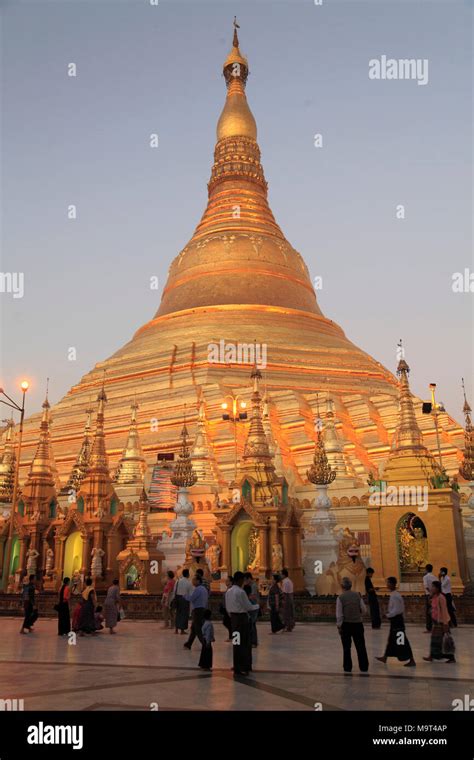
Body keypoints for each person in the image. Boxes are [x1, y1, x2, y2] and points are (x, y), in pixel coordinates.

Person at [225, 571, 259, 677]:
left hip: (234, 620)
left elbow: (227, 608)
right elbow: (248, 607)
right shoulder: (241, 592)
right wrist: (258, 606)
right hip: (242, 620)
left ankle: (237, 666)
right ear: (240, 580)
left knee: (236, 643)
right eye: (243, 580)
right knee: (244, 643)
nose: (244, 582)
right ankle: (244, 666)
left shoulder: (228, 591)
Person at [376, 577, 416, 667]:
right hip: (395, 621)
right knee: (391, 640)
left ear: (393, 584)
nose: (387, 585)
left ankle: (412, 659)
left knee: (401, 641)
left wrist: (387, 615)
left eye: (388, 583)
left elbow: (397, 610)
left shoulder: (396, 596)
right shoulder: (394, 594)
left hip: (397, 621)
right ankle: (385, 657)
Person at [336, 577, 369, 674]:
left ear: (342, 586)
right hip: (358, 624)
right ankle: (364, 666)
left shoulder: (340, 598)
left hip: (346, 625)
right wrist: (358, 615)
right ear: (351, 585)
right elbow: (364, 610)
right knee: (361, 646)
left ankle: (347, 667)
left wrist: (339, 626)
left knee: (346, 647)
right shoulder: (357, 595)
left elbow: (339, 615)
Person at [423, 580, 456, 663]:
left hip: (442, 622)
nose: (432, 588)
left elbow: (444, 611)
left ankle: (451, 657)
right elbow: (432, 607)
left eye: (433, 587)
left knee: (442, 641)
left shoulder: (441, 597)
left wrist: (445, 624)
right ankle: (432, 655)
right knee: (435, 639)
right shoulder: (434, 597)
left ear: (437, 588)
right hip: (436, 622)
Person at [184, 575, 208, 650]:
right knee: (194, 628)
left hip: (197, 610)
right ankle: (189, 644)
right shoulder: (204, 589)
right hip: (202, 609)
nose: (192, 581)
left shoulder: (198, 589)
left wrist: (185, 596)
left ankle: (205, 644)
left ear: (198, 581)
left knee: (197, 628)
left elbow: (192, 598)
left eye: (194, 580)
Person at [243, 572, 260, 646]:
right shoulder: (251, 585)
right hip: (252, 607)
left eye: (246, 580)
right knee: (251, 624)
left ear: (249, 578)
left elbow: (253, 596)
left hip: (254, 607)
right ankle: (252, 641)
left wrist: (245, 598)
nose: (245, 582)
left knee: (252, 624)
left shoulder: (253, 586)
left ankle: (253, 642)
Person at [174, 569, 193, 635]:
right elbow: (191, 593)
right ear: (187, 574)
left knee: (178, 613)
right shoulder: (189, 582)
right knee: (184, 615)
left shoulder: (178, 581)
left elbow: (174, 590)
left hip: (178, 598)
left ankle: (176, 629)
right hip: (185, 599)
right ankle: (182, 630)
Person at [422, 564, 437, 632]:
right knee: (434, 610)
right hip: (435, 595)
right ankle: (436, 626)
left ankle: (429, 628)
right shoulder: (435, 577)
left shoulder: (425, 577)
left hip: (429, 595)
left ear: (426, 569)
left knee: (428, 611)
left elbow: (426, 586)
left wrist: (430, 593)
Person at [281, 568, 295, 632]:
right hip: (290, 596)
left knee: (286, 612)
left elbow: (284, 592)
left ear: (283, 575)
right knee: (290, 612)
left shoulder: (285, 581)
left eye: (281, 575)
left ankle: (288, 626)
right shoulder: (289, 580)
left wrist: (283, 600)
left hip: (287, 597)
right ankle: (290, 625)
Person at [220, 576, 233, 641]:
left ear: (231, 582)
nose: (226, 582)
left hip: (229, 608)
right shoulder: (228, 589)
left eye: (227, 581)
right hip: (226, 608)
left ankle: (232, 637)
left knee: (227, 622)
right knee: (227, 622)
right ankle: (231, 636)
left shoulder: (231, 589)